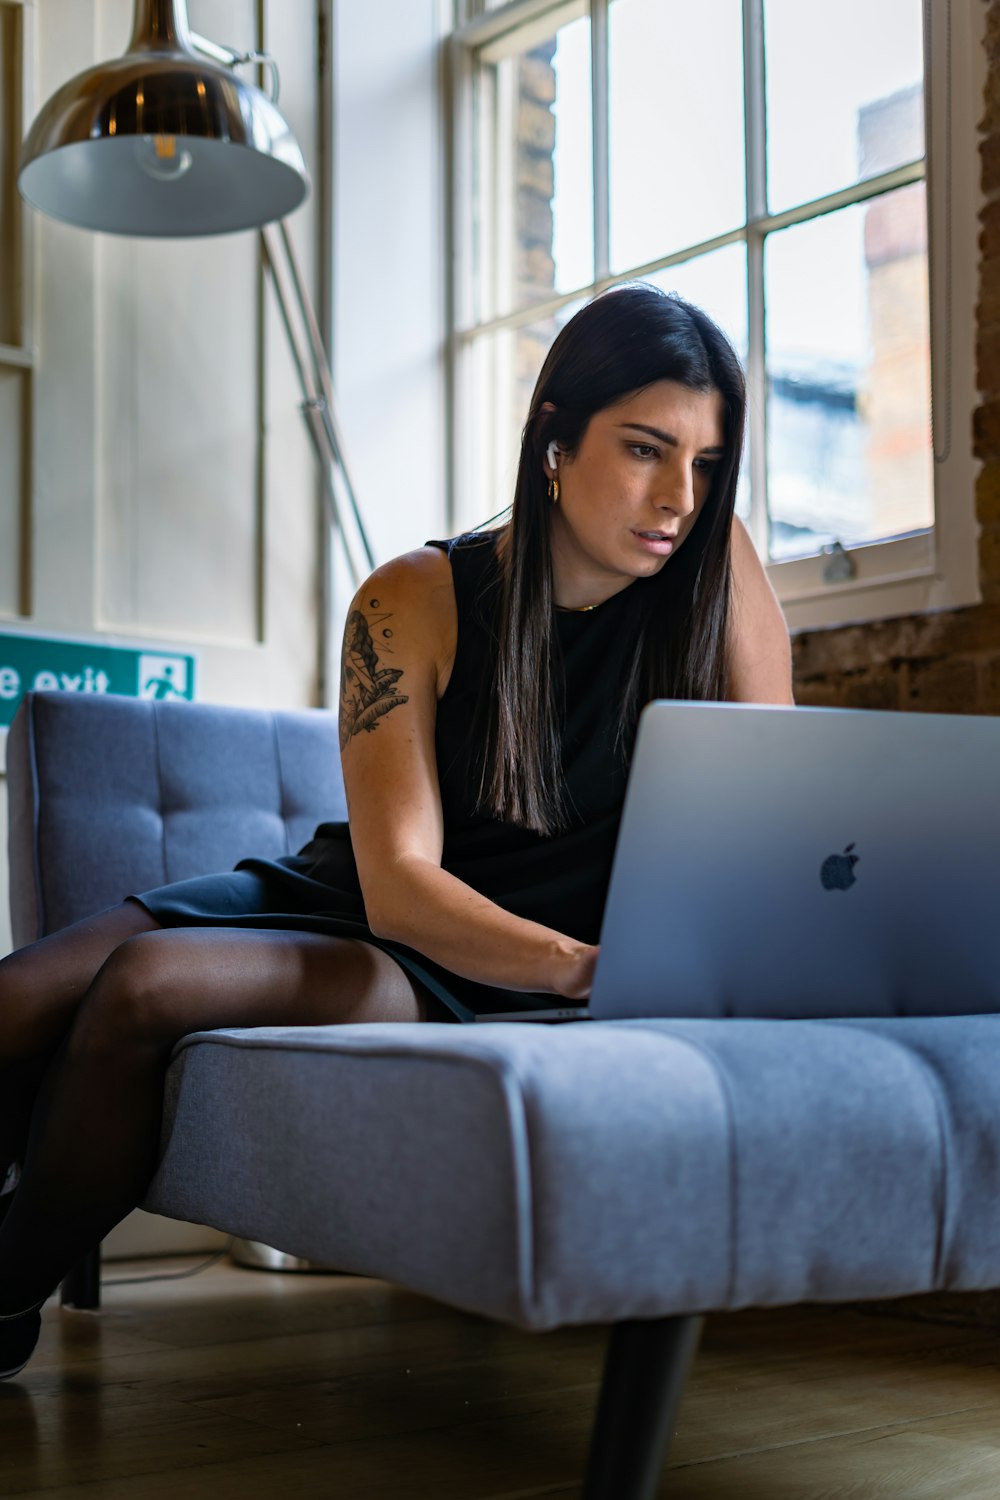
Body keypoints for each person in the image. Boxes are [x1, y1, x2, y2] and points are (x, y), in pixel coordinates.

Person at [0, 282, 794, 1377]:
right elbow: (399, 887)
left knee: (146, 987)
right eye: (647, 449)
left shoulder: (722, 580)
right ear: (553, 439)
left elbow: (780, 823)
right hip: (387, 906)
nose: (679, 497)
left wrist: (643, 967)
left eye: (706, 465)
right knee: (17, 997)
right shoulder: (413, 596)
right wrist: (583, 969)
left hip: (487, 975)